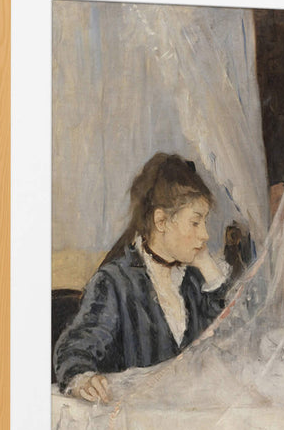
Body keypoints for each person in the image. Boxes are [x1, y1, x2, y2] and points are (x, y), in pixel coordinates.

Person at [54, 153, 232, 404]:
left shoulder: (193, 280)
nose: (205, 235)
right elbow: (77, 346)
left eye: (204, 222)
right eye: (195, 222)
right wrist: (83, 378)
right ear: (161, 221)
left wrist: (209, 270)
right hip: (134, 415)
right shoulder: (115, 282)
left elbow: (231, 343)